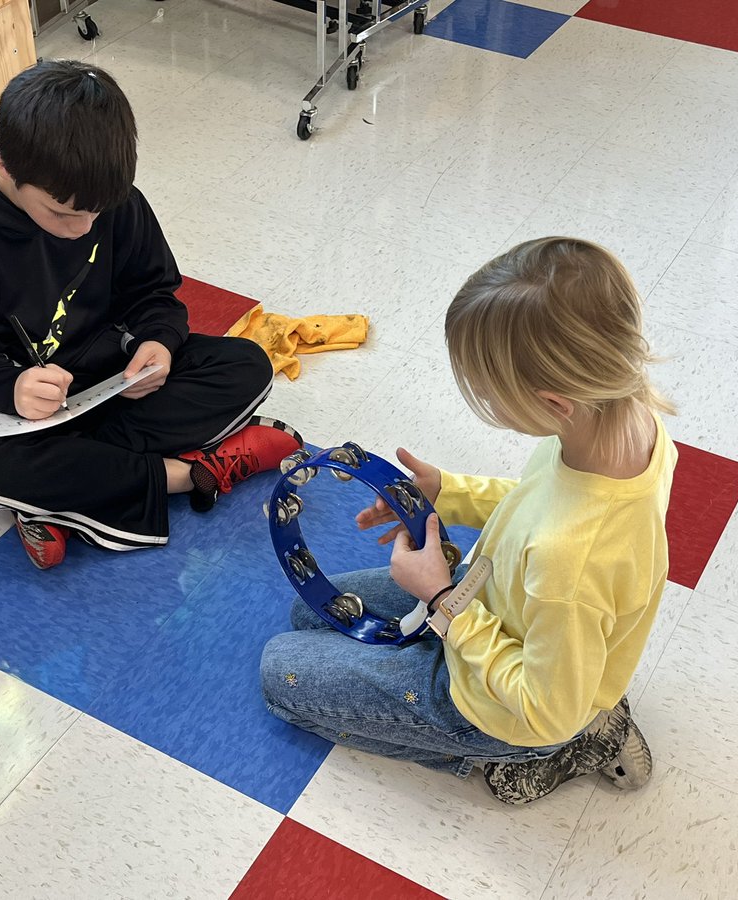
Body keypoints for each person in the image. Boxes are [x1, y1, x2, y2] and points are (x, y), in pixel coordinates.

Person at [260, 237, 678, 804]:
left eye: (488, 390)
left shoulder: (569, 562)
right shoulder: (622, 422)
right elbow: (542, 501)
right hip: (493, 606)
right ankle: (555, 703)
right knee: (308, 613)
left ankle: (557, 749)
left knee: (279, 676)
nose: (481, 398)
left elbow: (546, 709)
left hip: (509, 707)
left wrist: (440, 603)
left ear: (556, 403)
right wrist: (447, 492)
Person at [0, 60, 301, 569]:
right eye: (63, 215)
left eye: (96, 214)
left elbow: (156, 293)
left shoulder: (110, 200)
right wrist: (11, 388)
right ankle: (192, 474)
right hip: (18, 408)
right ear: (7, 167)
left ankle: (65, 494)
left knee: (245, 364)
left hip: (108, 381)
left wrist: (157, 341)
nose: (83, 228)